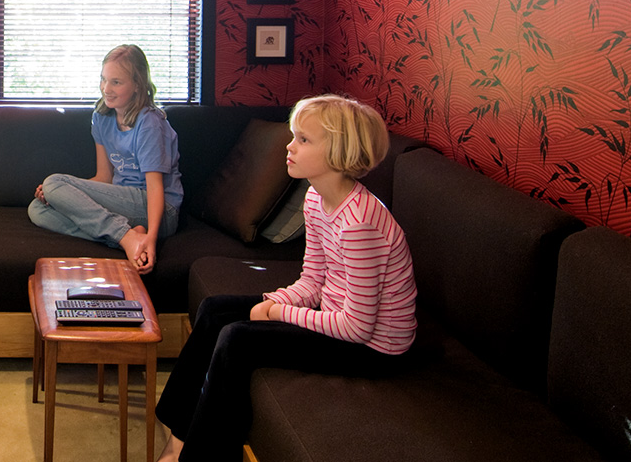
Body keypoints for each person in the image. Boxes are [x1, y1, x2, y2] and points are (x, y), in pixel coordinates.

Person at [154, 94, 417, 462]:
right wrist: (276, 301)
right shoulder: (316, 200)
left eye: (303, 140)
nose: (290, 147)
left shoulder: (360, 223)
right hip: (338, 316)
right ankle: (178, 437)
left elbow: (358, 328)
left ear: (338, 152)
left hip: (374, 349)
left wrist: (278, 313)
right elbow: (312, 280)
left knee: (238, 339)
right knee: (215, 310)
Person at [28, 44, 183, 274]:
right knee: (38, 209)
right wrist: (65, 196)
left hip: (160, 211)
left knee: (53, 183)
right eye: (103, 79)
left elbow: (155, 187)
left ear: (137, 85)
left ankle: (126, 237)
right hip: (123, 203)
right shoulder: (101, 117)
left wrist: (151, 238)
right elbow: (104, 177)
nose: (106, 89)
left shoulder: (149, 122)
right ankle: (128, 237)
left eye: (116, 82)